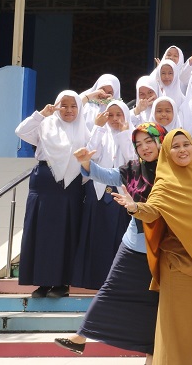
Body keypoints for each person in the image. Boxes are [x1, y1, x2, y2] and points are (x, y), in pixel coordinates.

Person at [113, 130, 192, 365]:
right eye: (175, 146)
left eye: (186, 144)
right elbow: (153, 210)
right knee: (180, 333)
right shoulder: (166, 182)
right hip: (181, 268)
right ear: (167, 152)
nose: (182, 150)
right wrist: (134, 207)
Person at [54, 123, 167, 361]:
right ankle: (81, 336)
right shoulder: (133, 169)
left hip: (163, 248)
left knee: (154, 303)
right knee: (110, 289)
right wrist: (85, 163)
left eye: (149, 141)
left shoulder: (175, 171)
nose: (144, 148)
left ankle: (152, 354)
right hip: (133, 244)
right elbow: (105, 175)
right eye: (139, 144)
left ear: (161, 141)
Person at [15, 90, 91, 298]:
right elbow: (21, 131)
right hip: (45, 182)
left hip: (71, 186)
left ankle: (62, 283)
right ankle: (41, 283)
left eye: (73, 106)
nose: (68, 110)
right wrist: (41, 114)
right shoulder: (45, 125)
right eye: (64, 105)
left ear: (79, 108)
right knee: (42, 232)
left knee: (67, 231)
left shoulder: (85, 131)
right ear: (56, 106)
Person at [71, 100, 134, 290]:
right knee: (98, 236)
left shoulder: (133, 135)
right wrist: (98, 128)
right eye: (110, 115)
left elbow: (132, 159)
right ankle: (95, 280)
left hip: (123, 193)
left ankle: (119, 282)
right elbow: (91, 155)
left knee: (120, 237)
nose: (115, 119)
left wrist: (124, 134)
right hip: (98, 191)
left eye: (119, 115)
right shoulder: (99, 133)